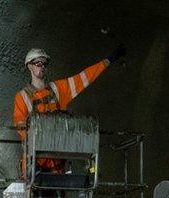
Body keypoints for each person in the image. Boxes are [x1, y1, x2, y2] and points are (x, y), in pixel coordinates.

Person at [13, 45, 126, 176]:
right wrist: (42, 137)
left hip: (57, 164)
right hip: (34, 164)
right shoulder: (22, 97)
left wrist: (108, 60)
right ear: (29, 66)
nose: (42, 66)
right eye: (38, 63)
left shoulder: (58, 89)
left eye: (45, 63)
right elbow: (19, 125)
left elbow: (83, 78)